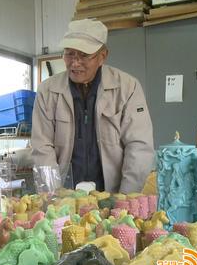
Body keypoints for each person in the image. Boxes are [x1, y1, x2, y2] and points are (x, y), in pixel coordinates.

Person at [31, 19, 154, 194]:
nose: (75, 63)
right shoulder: (47, 91)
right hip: (64, 195)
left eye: (83, 55)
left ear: (102, 56)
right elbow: (42, 147)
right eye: (69, 54)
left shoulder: (127, 88)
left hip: (113, 193)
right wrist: (54, 199)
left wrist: (126, 199)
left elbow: (139, 147)